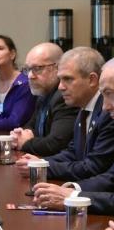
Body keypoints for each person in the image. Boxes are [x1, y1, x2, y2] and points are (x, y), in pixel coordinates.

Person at [16, 47, 114, 185]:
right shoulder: (84, 106)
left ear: (92, 80)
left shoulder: (108, 113)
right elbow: (73, 151)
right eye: (60, 79)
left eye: (67, 79)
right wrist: (41, 163)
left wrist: (44, 169)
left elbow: (94, 166)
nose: (61, 87)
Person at [32, 58, 114, 213]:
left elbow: (94, 167)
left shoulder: (105, 117)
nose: (105, 106)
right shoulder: (83, 109)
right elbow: (111, 177)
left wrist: (73, 197)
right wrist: (73, 189)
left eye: (109, 94)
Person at [10, 42, 78, 156]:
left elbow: (55, 144)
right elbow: (31, 125)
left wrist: (24, 142)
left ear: (58, 67)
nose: (30, 75)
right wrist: (21, 134)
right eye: (27, 69)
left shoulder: (64, 97)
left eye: (37, 68)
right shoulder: (43, 93)